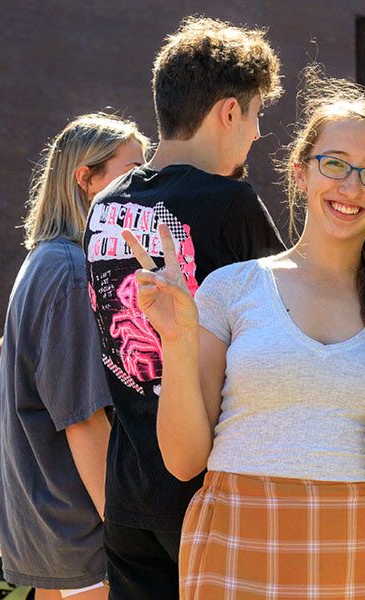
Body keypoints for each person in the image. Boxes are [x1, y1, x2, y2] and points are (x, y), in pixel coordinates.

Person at [121, 77, 365, 599]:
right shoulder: (232, 288)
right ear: (300, 171)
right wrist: (176, 343)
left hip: (358, 544)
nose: (351, 187)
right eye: (334, 164)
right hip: (237, 540)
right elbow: (184, 461)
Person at [81, 17, 284, 599]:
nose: (257, 133)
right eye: (256, 115)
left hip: (128, 493)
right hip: (209, 492)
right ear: (228, 112)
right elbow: (289, 320)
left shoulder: (105, 203)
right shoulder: (230, 202)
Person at [0, 113, 149, 599]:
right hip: (82, 535)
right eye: (133, 172)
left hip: (51, 529)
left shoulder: (45, 259)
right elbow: (82, 419)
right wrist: (128, 538)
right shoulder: (71, 270)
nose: (144, 187)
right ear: (86, 179)